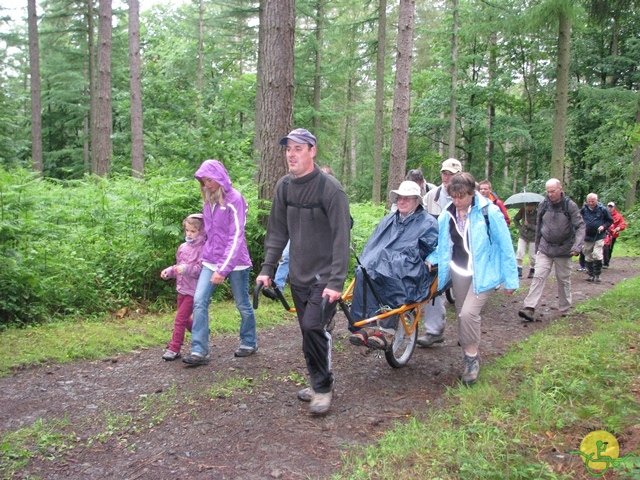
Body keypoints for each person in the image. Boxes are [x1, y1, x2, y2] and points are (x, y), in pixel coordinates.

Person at [256, 128, 351, 416]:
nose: (291, 154)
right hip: (298, 275)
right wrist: (267, 268)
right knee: (307, 332)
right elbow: (277, 232)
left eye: (298, 148)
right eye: (288, 149)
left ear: (312, 151)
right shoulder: (284, 187)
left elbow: (341, 238)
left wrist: (337, 281)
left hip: (325, 279)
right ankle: (316, 380)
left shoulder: (330, 189)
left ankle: (323, 387)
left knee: (313, 327)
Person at [426, 172, 518, 385]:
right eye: (454, 197)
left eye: (462, 197)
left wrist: (511, 279)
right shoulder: (446, 215)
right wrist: (432, 258)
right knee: (461, 315)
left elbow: (505, 245)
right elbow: (444, 244)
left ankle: (471, 360)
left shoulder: (489, 212)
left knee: (468, 314)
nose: (457, 202)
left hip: (484, 272)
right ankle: (469, 350)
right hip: (459, 270)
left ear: (472, 193)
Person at [182, 160, 258, 366]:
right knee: (199, 301)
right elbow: (209, 231)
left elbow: (236, 236)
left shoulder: (235, 200)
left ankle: (249, 341)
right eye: (204, 181)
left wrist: (224, 269)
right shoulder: (208, 201)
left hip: (236, 261)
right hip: (211, 259)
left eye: (210, 180)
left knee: (242, 303)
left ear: (220, 177)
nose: (207, 184)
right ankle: (199, 350)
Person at [348, 181, 438, 349]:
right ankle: (365, 324)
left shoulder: (428, 223)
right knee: (363, 271)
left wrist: (392, 260)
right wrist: (372, 260)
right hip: (382, 262)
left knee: (389, 273)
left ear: (417, 201)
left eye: (407, 198)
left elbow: (423, 249)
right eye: (399, 198)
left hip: (408, 267)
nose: (401, 202)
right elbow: (373, 245)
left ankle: (387, 329)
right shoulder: (389, 220)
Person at [263, 166, 335, 298]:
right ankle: (278, 286)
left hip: (321, 246)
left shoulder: (333, 194)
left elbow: (346, 223)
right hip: (298, 237)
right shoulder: (298, 191)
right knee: (286, 256)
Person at [518, 179, 585, 321]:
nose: (550, 194)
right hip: (545, 247)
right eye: (548, 191)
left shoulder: (570, 205)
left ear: (560, 189)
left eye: (553, 191)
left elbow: (580, 226)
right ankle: (529, 307)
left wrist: (577, 246)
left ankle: (565, 308)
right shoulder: (544, 204)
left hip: (564, 249)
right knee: (538, 276)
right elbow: (539, 227)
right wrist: (537, 246)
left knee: (563, 279)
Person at [417, 158, 462, 348]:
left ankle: (466, 334)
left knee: (464, 295)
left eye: (451, 174)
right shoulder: (431, 196)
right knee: (433, 290)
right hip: (437, 252)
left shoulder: (468, 196)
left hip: (462, 252)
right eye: (444, 173)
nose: (447, 177)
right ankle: (434, 332)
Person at [160, 214, 206, 361]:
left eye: (193, 231)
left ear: (201, 231)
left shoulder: (203, 248)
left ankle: (174, 348)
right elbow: (178, 266)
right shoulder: (183, 247)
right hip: (181, 288)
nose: (189, 234)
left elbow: (200, 270)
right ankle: (202, 333)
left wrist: (186, 269)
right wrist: (169, 271)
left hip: (193, 291)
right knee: (185, 320)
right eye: (187, 230)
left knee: (179, 319)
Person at [580, 193, 613, 283]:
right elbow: (578, 220)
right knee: (588, 254)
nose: (591, 203)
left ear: (597, 200)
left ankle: (597, 275)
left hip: (599, 235)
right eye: (589, 201)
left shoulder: (603, 209)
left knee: (597, 254)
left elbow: (609, 221)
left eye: (593, 201)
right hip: (587, 236)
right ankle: (591, 274)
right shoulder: (583, 210)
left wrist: (603, 226)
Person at [512, 203, 538, 278]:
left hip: (533, 237)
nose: (528, 207)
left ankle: (532, 270)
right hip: (523, 235)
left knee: (532, 255)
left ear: (534, 206)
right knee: (520, 252)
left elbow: (539, 227)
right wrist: (520, 227)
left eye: (530, 206)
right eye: (527, 206)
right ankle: (519, 270)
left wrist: (528, 225)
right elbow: (516, 219)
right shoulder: (523, 210)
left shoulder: (538, 213)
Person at [603, 202, 627, 268]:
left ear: (614, 207)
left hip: (612, 235)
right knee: (604, 247)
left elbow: (623, 224)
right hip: (604, 233)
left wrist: (619, 228)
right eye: (609, 206)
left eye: (611, 207)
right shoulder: (603, 214)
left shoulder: (618, 216)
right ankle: (605, 262)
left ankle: (606, 262)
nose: (610, 208)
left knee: (609, 249)